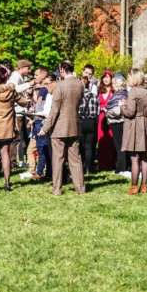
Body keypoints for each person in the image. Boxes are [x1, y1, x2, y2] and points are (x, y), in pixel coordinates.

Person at [39, 60, 85, 196]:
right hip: (75, 126)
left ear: (63, 69)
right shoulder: (80, 84)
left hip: (59, 127)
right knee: (76, 159)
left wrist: (45, 128)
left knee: (57, 159)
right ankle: (80, 188)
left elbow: (55, 110)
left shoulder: (60, 86)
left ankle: (57, 189)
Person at [120, 68, 147, 195]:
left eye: (129, 77)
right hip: (146, 124)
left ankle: (134, 186)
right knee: (145, 158)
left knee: (135, 158)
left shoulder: (134, 92)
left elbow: (130, 112)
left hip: (136, 125)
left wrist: (122, 106)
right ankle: (144, 185)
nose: (127, 80)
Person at [105, 74, 130, 176]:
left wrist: (107, 112)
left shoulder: (118, 95)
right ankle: (125, 166)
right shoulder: (126, 94)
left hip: (117, 122)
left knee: (120, 146)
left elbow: (117, 110)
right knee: (125, 146)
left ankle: (121, 168)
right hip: (125, 122)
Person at [77, 75, 99, 174]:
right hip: (91, 122)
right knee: (89, 146)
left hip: (81, 121)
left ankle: (81, 166)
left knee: (81, 146)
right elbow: (98, 111)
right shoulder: (94, 96)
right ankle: (88, 168)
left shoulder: (77, 96)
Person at [97, 71, 117, 172]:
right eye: (104, 77)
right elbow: (96, 103)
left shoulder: (114, 90)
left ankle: (111, 163)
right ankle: (102, 164)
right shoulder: (99, 89)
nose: (106, 79)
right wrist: (101, 108)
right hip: (101, 117)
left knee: (110, 139)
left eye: (108, 77)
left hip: (111, 116)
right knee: (102, 140)